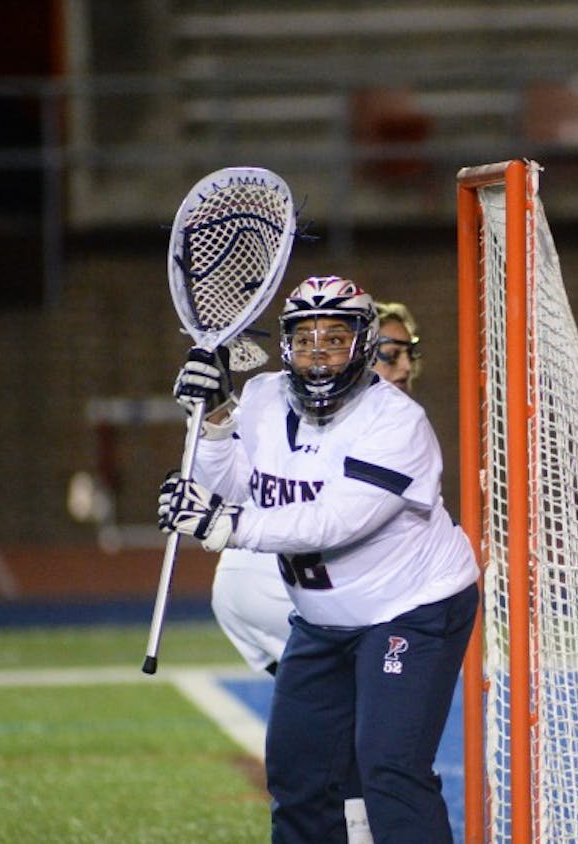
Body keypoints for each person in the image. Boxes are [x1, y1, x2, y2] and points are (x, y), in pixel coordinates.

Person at [159, 277, 477, 844]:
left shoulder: (396, 421)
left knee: (389, 770)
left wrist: (227, 526)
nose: (319, 354)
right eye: (305, 339)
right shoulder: (260, 398)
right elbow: (233, 485)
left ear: (363, 342)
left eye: (335, 337)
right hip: (323, 620)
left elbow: (337, 520)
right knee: (298, 775)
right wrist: (210, 422)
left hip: (410, 608)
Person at [209, 300, 426, 676]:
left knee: (318, 716)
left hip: (259, 578)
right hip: (285, 580)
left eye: (411, 353)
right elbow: (331, 521)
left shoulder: (373, 420)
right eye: (391, 355)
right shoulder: (331, 421)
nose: (405, 367)